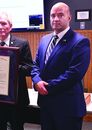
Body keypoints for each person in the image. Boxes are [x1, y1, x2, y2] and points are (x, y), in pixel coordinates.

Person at [31, 2, 90, 130]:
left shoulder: (80, 42)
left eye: (60, 15)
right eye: (53, 15)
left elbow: (74, 74)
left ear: (69, 18)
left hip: (67, 108)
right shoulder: (44, 39)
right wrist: (36, 81)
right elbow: (35, 65)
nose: (55, 19)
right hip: (46, 106)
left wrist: (45, 87)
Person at [0, 12, 33, 130]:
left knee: (17, 126)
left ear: (10, 26)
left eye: (3, 23)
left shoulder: (22, 44)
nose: (0, 27)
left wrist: (11, 66)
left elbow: (29, 68)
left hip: (16, 98)